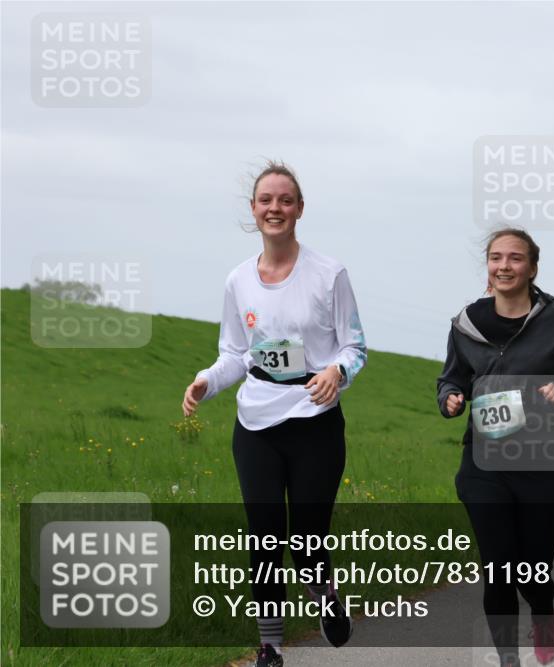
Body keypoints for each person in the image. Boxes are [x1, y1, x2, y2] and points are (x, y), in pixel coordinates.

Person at [182, 162, 367, 667]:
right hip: (256, 424)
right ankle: (269, 648)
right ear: (253, 210)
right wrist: (206, 380)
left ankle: (324, 593)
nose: (275, 209)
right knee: (264, 538)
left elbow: (355, 347)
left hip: (315, 422)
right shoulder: (238, 280)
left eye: (285, 200)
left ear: (300, 209)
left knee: (307, 541)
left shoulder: (330, 274)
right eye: (266, 200)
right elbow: (236, 354)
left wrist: (336, 373)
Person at [437, 228, 554, 667]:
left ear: (532, 267)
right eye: (496, 258)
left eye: (515, 258)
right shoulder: (466, 322)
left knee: (533, 571)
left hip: (542, 460)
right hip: (484, 460)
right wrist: (451, 397)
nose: (504, 266)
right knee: (497, 567)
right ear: (488, 267)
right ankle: (508, 660)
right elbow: (452, 376)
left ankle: (543, 609)